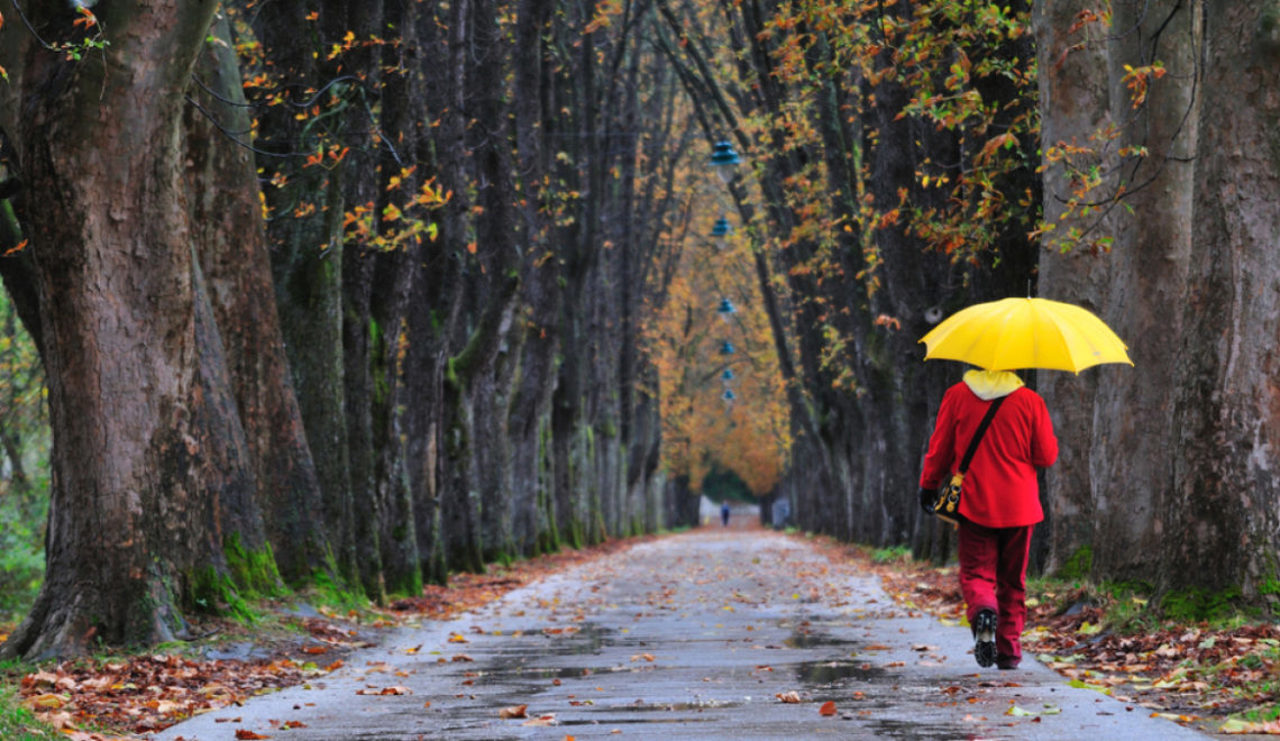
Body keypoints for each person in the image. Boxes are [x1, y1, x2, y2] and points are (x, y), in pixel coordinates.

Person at [918, 368, 1058, 670]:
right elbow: (1046, 456)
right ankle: (1009, 651)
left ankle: (984, 610)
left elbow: (940, 448)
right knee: (1013, 581)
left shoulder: (956, 396)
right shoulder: (1031, 400)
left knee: (977, 573)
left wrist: (928, 485)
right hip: (1020, 505)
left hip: (974, 501)